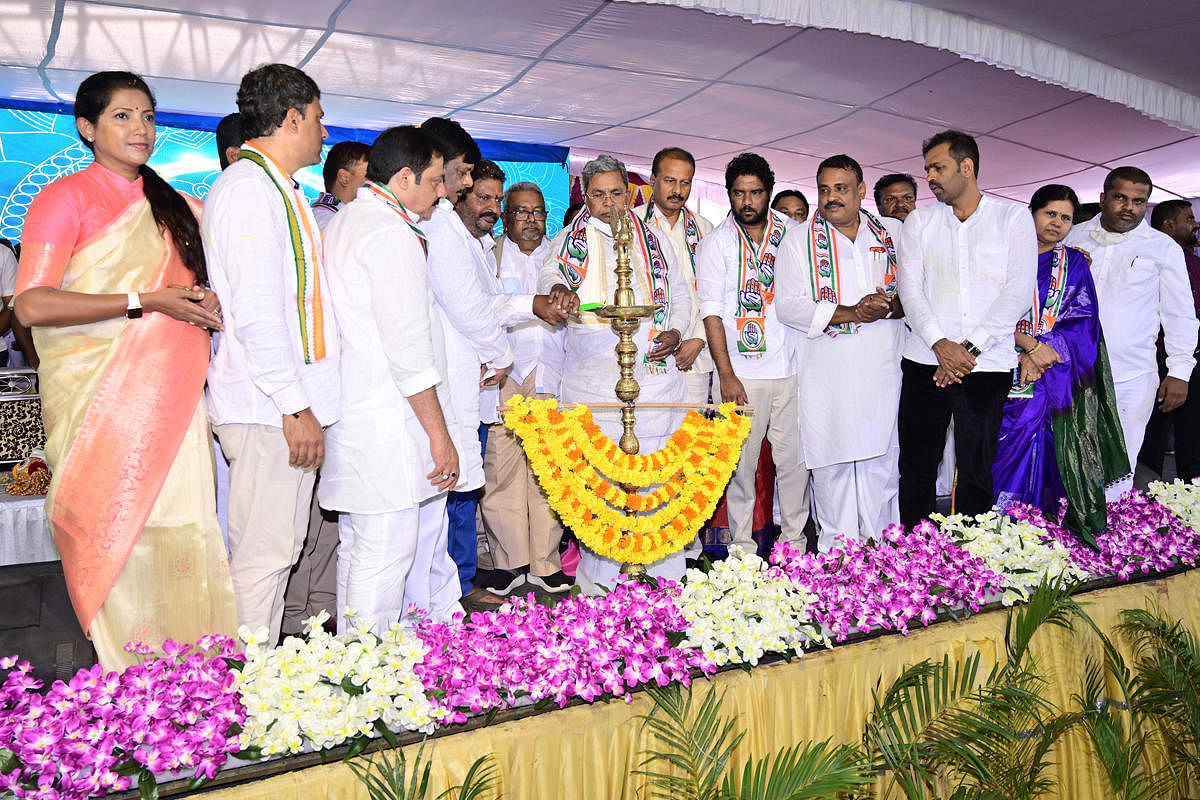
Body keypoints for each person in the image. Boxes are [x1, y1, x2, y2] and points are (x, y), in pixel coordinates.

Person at [13, 71, 236, 669]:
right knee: (117, 532)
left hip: (176, 399)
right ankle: (132, 680)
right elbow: (31, 303)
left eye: (147, 117)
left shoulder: (177, 203)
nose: (140, 129)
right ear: (86, 128)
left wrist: (205, 305)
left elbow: (201, 290)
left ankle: (197, 679)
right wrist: (145, 301)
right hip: (99, 405)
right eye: (122, 116)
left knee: (185, 525)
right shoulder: (65, 199)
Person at [203, 64, 341, 644]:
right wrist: (294, 406)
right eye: (316, 118)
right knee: (264, 552)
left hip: (277, 404)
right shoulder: (248, 190)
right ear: (290, 119)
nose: (323, 131)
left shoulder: (277, 186)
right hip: (267, 408)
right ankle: (244, 693)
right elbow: (258, 313)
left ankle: (260, 680)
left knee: (279, 547)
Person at [321, 125, 464, 633]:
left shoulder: (347, 221)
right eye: (433, 180)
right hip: (389, 424)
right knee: (385, 557)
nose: (442, 191)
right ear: (403, 178)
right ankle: (371, 690)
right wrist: (440, 435)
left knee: (362, 553)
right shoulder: (388, 234)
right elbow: (408, 352)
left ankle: (354, 676)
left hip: (361, 415)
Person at [539, 154, 690, 593]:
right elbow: (552, 280)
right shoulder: (568, 242)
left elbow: (680, 294)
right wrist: (560, 291)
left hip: (656, 380)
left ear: (630, 193)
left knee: (658, 484)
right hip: (595, 383)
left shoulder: (655, 240)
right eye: (599, 195)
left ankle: (667, 587)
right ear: (586, 196)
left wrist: (677, 330)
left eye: (617, 193)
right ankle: (599, 593)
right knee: (602, 491)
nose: (609, 203)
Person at [896, 130, 1037, 526]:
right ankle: (913, 557)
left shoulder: (1011, 218)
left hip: (986, 365)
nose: (930, 177)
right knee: (918, 466)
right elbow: (910, 289)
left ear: (967, 167)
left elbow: (1017, 293)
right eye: (928, 169)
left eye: (938, 168)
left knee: (977, 469)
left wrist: (967, 351)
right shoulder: (920, 221)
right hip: (926, 360)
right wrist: (941, 345)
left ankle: (973, 561)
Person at [775, 154, 904, 548]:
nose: (831, 198)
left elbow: (917, 293)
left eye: (841, 189)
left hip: (882, 370)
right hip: (826, 374)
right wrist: (853, 313)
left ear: (862, 191)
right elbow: (789, 306)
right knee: (831, 467)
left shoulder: (893, 232)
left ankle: (885, 557)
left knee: (880, 466)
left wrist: (886, 308)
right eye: (825, 190)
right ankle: (838, 563)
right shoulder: (798, 239)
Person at [992, 185, 1129, 539]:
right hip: (995, 370)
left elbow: (1085, 325)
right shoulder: (997, 255)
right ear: (1031, 213)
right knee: (1001, 451)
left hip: (1053, 378)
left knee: (1054, 455)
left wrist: (1043, 352)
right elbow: (978, 313)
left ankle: (1042, 532)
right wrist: (1027, 346)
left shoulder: (1073, 264)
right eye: (1050, 213)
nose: (1057, 223)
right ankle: (996, 532)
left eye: (1066, 218)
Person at [420, 119, 513, 612]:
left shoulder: (469, 240)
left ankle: (452, 588)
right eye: (478, 192)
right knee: (444, 499)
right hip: (445, 386)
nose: (491, 209)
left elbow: (490, 306)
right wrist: (502, 354)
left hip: (468, 384)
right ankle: (450, 588)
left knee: (456, 497)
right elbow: (469, 308)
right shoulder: (439, 226)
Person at [696, 153, 810, 551]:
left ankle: (795, 545)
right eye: (739, 193)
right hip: (742, 376)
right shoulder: (716, 244)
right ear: (728, 194)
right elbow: (711, 312)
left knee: (794, 465)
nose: (747, 201)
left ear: (769, 192)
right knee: (741, 468)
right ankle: (742, 551)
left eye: (756, 193)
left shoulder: (794, 234)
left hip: (793, 368)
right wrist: (725, 374)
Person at [1064, 167, 1197, 499]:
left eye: (1139, 201)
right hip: (1070, 372)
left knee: (1119, 464)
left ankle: (1111, 541)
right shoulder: (1071, 236)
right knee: (1067, 459)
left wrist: (1180, 372)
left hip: (1132, 375)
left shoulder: (1162, 247)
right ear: (1103, 198)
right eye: (1121, 197)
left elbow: (1180, 314)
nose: (1129, 207)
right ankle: (1066, 542)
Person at [479, 181, 571, 594]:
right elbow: (482, 311)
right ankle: (509, 563)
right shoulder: (489, 255)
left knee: (549, 470)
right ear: (505, 216)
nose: (531, 220)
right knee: (503, 470)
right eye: (521, 212)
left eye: (538, 213)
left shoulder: (565, 255)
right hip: (506, 374)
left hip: (553, 372)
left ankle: (546, 563)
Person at [642, 147, 714, 407]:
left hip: (693, 357)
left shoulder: (706, 230)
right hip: (646, 352)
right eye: (670, 181)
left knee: (689, 438)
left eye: (685, 182)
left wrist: (699, 338)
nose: (678, 190)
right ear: (653, 180)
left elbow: (715, 293)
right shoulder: (634, 225)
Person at [1141, 200, 1200, 481]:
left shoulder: (1190, 258)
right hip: (1161, 356)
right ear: (1168, 225)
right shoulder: (1157, 256)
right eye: (1189, 219)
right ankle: (1141, 502)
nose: (1195, 224)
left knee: (1191, 432)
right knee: (1152, 432)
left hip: (1188, 355)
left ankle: (1189, 498)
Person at [311, 140, 370, 231]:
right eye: (369, 175)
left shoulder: (337, 218)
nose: (377, 183)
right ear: (344, 178)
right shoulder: (329, 223)